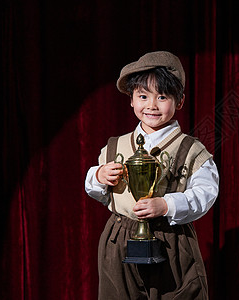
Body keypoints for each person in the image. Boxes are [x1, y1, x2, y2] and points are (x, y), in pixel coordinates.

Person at [85, 51, 219, 300]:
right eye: (143, 96)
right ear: (131, 100)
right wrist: (99, 176)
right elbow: (97, 192)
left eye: (162, 97)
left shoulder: (191, 149)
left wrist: (167, 205)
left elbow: (205, 193)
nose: (152, 105)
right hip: (119, 238)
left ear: (179, 102)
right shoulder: (116, 146)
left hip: (172, 240)